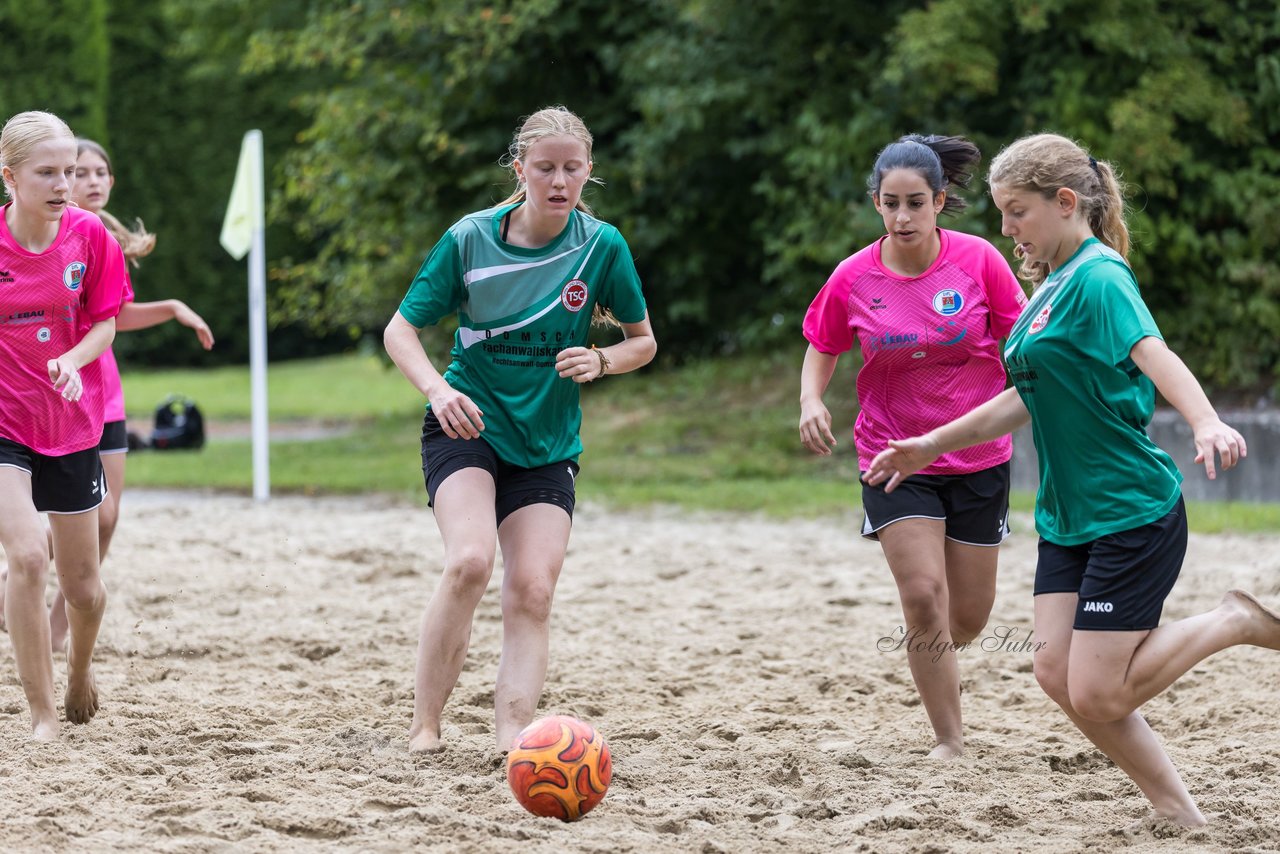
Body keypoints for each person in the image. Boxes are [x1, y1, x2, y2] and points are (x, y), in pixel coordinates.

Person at [864, 132, 1279, 825]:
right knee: (1057, 675)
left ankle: (1233, 620)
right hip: (1067, 516)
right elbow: (1027, 395)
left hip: (1129, 511)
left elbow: (1153, 350)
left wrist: (1205, 420)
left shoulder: (1098, 276)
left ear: (1064, 203)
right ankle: (1177, 811)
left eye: (1017, 212)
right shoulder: (1050, 287)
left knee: (1097, 692)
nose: (1006, 229)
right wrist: (926, 445)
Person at [384, 106, 657, 753]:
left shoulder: (601, 246)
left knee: (532, 589)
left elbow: (643, 341)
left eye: (572, 168)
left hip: (547, 444)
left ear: (589, 172)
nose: (559, 181)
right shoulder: (471, 240)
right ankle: (425, 726)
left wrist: (602, 359)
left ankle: (514, 740)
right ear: (520, 170)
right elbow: (400, 331)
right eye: (545, 168)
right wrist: (438, 388)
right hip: (467, 424)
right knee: (470, 563)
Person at [799, 134, 1027, 759]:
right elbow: (823, 344)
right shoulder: (853, 275)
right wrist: (811, 400)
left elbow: (1026, 344)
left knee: (969, 620)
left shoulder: (979, 261)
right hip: (894, 456)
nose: (903, 218)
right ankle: (949, 742)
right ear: (876, 202)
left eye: (916, 204)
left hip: (978, 456)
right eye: (891, 203)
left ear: (940, 201)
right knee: (924, 596)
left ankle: (929, 653)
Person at [37, 138, 215, 650]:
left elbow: (111, 319)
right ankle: (24, 571)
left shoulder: (102, 235)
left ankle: (56, 621)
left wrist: (175, 307)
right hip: (54, 390)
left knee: (109, 515)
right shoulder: (49, 232)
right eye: (81, 171)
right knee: (69, 517)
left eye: (100, 172)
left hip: (101, 389)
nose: (91, 181)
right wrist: (175, 307)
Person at [0, 111, 128, 739]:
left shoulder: (89, 236)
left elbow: (105, 322)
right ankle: (42, 713)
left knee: (83, 589)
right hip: (5, 422)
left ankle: (79, 670)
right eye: (46, 172)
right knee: (26, 556)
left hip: (73, 421)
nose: (62, 184)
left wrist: (74, 362)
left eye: (70, 172)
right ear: (11, 177)